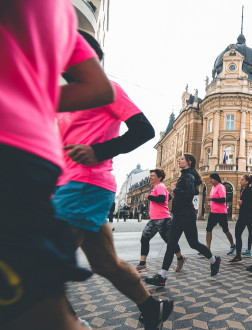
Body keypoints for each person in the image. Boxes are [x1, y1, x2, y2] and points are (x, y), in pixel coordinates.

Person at [0, 2, 115, 328]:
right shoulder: (59, 12)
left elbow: (106, 93)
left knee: (33, 292)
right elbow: (96, 86)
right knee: (37, 288)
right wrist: (28, 95)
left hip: (21, 156)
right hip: (36, 157)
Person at [50, 31, 175, 329]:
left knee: (43, 265)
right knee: (106, 263)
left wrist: (98, 150)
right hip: (70, 187)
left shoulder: (108, 90)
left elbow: (143, 130)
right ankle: (151, 308)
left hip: (85, 185)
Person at [145, 154, 221, 287]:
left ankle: (214, 261)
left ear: (189, 162)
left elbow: (189, 194)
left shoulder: (188, 176)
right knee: (171, 244)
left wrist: (176, 189)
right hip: (178, 215)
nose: (179, 160)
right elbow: (194, 192)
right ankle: (162, 276)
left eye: (182, 159)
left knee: (194, 243)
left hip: (187, 215)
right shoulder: (186, 175)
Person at [136, 169, 187, 273]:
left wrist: (149, 196)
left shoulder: (160, 186)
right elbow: (169, 198)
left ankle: (180, 258)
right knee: (144, 238)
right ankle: (142, 264)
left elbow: (162, 199)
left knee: (169, 241)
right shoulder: (158, 187)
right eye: (150, 175)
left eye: (153, 176)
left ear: (159, 177)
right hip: (154, 219)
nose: (150, 177)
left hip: (163, 219)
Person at [206, 173, 236, 255]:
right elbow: (214, 199)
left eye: (211, 178)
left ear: (216, 179)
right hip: (213, 212)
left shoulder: (221, 187)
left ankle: (232, 245)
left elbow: (223, 200)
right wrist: (211, 202)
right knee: (208, 229)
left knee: (225, 230)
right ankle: (207, 249)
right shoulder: (213, 187)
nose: (210, 180)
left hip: (221, 213)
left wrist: (212, 198)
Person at [230, 174, 252, 263]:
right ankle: (238, 256)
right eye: (241, 180)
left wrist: (243, 202)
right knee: (237, 234)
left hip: (249, 216)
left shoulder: (251, 189)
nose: (240, 181)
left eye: (242, 180)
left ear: (247, 181)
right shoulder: (243, 189)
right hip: (242, 216)